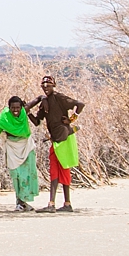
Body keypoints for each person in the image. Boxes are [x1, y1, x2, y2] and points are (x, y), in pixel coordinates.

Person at [29, 75, 85, 213]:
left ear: (54, 85)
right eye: (43, 85)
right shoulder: (45, 103)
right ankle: (56, 203)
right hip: (56, 140)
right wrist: (29, 111)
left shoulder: (59, 98)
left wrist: (72, 119)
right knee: (55, 170)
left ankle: (63, 203)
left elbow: (80, 104)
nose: (46, 87)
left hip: (64, 138)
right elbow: (37, 122)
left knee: (63, 170)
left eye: (48, 85)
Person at [0, 95, 39, 212]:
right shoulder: (5, 116)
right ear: (9, 107)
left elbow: (39, 98)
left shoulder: (25, 111)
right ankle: (19, 201)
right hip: (12, 146)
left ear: (21, 107)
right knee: (16, 174)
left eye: (18, 108)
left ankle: (23, 202)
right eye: (13, 108)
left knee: (27, 174)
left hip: (26, 146)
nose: (15, 111)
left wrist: (46, 101)